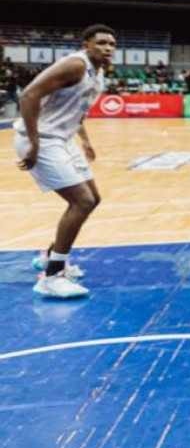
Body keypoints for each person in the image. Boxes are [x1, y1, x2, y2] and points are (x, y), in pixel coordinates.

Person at [14, 24, 114, 299]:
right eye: (101, 43)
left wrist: (85, 140)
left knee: (93, 198)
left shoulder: (99, 73)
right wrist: (33, 142)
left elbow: (75, 111)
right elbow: (29, 95)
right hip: (42, 138)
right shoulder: (75, 65)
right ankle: (51, 276)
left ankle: (50, 256)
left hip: (63, 139)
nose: (108, 48)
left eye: (112, 44)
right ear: (86, 45)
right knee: (81, 201)